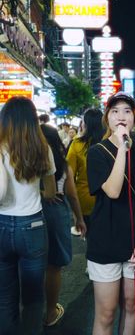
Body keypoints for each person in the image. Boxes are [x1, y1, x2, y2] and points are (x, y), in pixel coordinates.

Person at [86, 92, 135, 335]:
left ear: (134, 118)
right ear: (107, 117)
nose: (122, 116)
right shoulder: (96, 153)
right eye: (115, 111)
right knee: (107, 312)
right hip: (105, 241)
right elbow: (113, 190)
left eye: (127, 111)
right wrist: (122, 148)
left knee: (131, 306)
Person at [0, 96, 56, 335]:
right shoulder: (43, 147)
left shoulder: (0, 146)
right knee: (33, 298)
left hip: (2, 224)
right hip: (33, 225)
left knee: (4, 297)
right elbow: (52, 191)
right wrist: (34, 191)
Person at [40, 124, 87, 327]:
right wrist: (79, 219)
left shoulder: (27, 160)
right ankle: (50, 312)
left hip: (31, 211)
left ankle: (28, 312)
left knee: (31, 263)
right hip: (57, 212)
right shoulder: (62, 163)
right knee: (54, 265)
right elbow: (72, 195)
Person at [66, 108, 104, 232]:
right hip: (109, 198)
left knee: (90, 236)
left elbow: (69, 174)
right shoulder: (110, 142)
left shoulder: (77, 144)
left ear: (85, 124)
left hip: (85, 199)